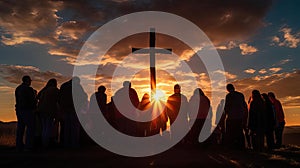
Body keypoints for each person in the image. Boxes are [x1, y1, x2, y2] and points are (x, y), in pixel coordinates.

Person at [58, 77, 88, 148]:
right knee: (75, 126)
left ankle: (66, 143)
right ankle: (74, 143)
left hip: (64, 108)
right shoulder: (77, 86)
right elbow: (83, 96)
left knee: (66, 127)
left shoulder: (63, 86)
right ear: (77, 81)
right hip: (74, 108)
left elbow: (60, 97)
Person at [15, 75, 37, 151]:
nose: (31, 82)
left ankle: (19, 145)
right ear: (27, 81)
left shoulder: (18, 88)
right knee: (30, 127)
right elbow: (32, 100)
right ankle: (28, 146)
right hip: (27, 110)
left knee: (20, 128)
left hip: (19, 109)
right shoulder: (28, 89)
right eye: (30, 80)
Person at [224, 84, 248, 150]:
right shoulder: (241, 95)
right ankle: (241, 146)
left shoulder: (228, 96)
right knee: (239, 132)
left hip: (231, 117)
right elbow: (244, 105)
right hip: (240, 116)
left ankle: (232, 146)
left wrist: (225, 115)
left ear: (227, 89)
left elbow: (226, 107)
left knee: (231, 132)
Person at [37, 78, 59, 148]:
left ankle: (44, 143)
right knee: (48, 127)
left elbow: (37, 97)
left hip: (41, 111)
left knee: (44, 127)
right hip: (50, 111)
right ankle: (47, 144)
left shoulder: (43, 90)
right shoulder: (54, 90)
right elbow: (59, 99)